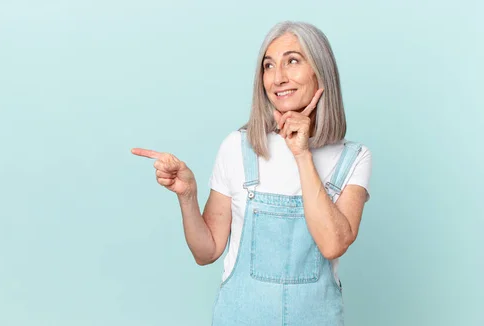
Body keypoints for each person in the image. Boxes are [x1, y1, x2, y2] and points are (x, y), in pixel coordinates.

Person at [131, 21, 372, 325]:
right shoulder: (238, 147)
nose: (278, 78)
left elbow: (333, 243)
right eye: (268, 66)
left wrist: (301, 154)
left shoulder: (353, 157)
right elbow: (206, 252)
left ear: (319, 70)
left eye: (292, 61)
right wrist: (188, 196)